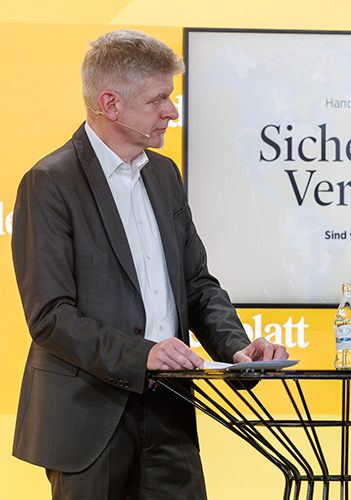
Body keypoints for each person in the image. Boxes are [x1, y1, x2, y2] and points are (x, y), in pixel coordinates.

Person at [11, 29, 288, 500]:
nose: (172, 112)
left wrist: (237, 350)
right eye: (159, 99)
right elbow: (50, 317)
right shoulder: (49, 182)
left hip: (171, 409)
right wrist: (143, 355)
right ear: (111, 103)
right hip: (88, 418)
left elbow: (197, 284)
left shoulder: (164, 174)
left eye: (171, 98)